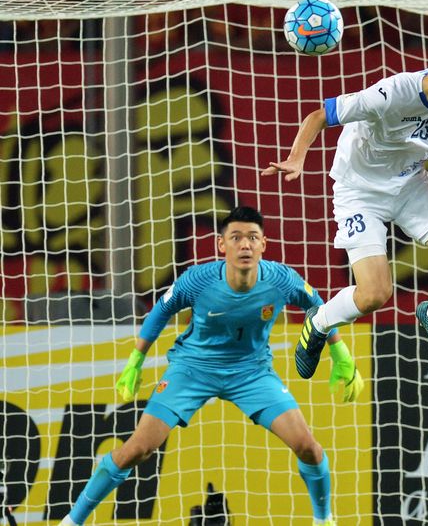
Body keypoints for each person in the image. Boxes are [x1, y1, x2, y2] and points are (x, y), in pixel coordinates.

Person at [58, 206, 362, 526]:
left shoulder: (282, 280)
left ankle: (324, 519)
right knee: (137, 449)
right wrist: (136, 360)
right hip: (192, 369)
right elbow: (161, 311)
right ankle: (73, 521)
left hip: (252, 372)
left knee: (308, 447)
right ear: (221, 244)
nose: (244, 245)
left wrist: (340, 353)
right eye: (236, 238)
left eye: (252, 238)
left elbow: (318, 307)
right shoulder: (198, 280)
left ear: (263, 244)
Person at [262, 38, 428, 378]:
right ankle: (318, 323)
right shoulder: (390, 94)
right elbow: (320, 115)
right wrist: (296, 158)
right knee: (374, 294)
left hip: (411, 185)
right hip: (360, 192)